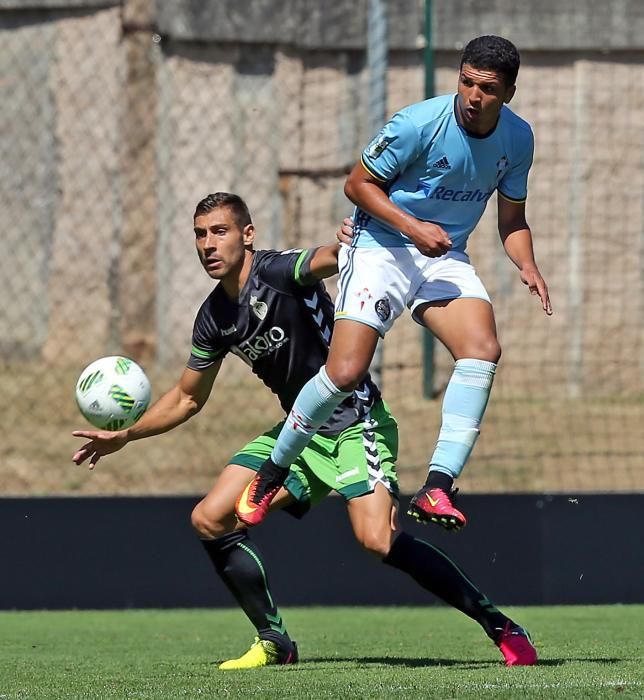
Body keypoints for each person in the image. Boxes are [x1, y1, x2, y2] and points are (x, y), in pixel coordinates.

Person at [72, 192, 537, 669]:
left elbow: (323, 261)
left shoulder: (276, 272)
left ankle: (499, 625)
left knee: (377, 540)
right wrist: (126, 435)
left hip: (356, 425)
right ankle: (275, 641)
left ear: (247, 235)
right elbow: (188, 398)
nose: (208, 244)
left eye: (219, 232)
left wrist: (346, 246)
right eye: (200, 234)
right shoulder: (213, 318)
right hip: (296, 434)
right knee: (209, 518)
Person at [237, 35, 552, 532]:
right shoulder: (419, 123)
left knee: (483, 349)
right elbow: (357, 184)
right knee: (343, 373)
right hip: (381, 246)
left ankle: (437, 488)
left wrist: (527, 264)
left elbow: (512, 221)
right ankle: (273, 469)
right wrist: (413, 227)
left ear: (509, 92)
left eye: (487, 89)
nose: (473, 96)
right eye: (466, 82)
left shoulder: (519, 139)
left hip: (443, 256)